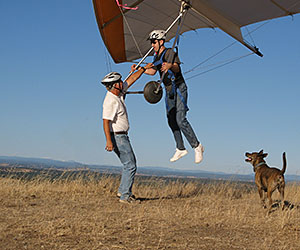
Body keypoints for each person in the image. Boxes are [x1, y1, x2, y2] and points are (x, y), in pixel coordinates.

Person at [141, 29, 204, 163]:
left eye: (154, 42)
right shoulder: (156, 56)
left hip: (179, 88)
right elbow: (153, 72)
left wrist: (170, 66)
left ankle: (197, 146)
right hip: (169, 90)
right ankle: (180, 148)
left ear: (161, 41)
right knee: (171, 119)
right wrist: (140, 69)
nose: (152, 45)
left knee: (180, 119)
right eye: (151, 42)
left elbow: (177, 68)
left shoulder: (169, 52)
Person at [101, 64, 151, 203]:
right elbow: (105, 122)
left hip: (120, 136)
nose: (122, 83)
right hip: (118, 136)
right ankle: (125, 196)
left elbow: (132, 79)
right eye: (119, 81)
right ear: (114, 85)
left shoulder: (118, 94)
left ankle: (122, 191)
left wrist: (143, 68)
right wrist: (109, 141)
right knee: (131, 165)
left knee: (127, 164)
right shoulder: (110, 101)